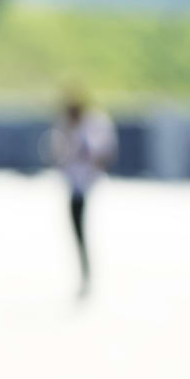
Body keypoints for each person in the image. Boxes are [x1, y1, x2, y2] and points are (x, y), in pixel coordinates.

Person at [47, 90, 116, 295]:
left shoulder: (93, 125)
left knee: (80, 231)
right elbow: (58, 156)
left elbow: (101, 152)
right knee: (78, 232)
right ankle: (85, 274)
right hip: (76, 186)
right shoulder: (65, 127)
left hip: (86, 186)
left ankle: (86, 275)